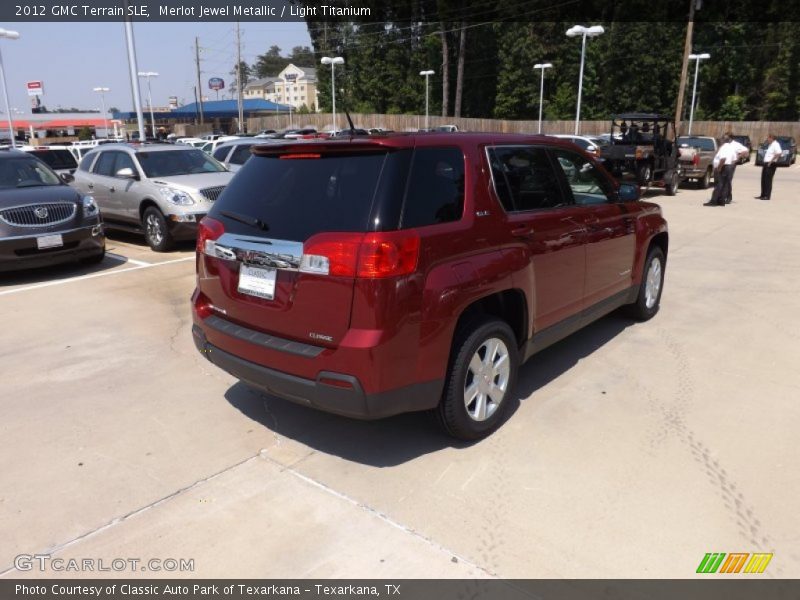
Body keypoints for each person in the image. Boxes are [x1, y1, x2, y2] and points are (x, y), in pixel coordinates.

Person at [704, 135, 737, 207]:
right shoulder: (731, 148)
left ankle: (714, 201)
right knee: (725, 185)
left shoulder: (724, 148)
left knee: (719, 184)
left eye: (721, 139)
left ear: (723, 140)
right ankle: (721, 200)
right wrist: (730, 166)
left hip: (722, 167)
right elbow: (734, 159)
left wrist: (719, 168)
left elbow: (723, 159)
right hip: (728, 167)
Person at [724, 133, 750, 204]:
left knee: (728, 180)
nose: (724, 138)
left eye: (726, 137)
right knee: (723, 180)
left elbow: (746, 150)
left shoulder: (736, 144)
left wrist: (738, 157)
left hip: (731, 164)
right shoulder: (725, 144)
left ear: (730, 137)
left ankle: (728, 197)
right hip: (724, 164)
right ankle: (723, 196)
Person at [756, 134, 782, 200]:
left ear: (772, 138)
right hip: (766, 163)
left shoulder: (776, 144)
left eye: (768, 138)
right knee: (763, 180)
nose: (767, 139)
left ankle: (767, 196)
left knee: (768, 180)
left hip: (771, 164)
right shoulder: (771, 145)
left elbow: (779, 153)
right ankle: (763, 194)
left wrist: (771, 161)